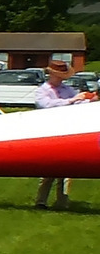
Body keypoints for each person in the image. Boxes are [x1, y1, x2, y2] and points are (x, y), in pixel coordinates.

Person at [30, 62, 94, 208]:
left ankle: (62, 201)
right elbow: (46, 105)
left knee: (66, 169)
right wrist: (70, 101)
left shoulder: (68, 89)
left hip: (66, 131)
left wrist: (89, 100)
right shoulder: (43, 90)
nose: (61, 79)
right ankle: (41, 201)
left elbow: (78, 103)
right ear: (51, 74)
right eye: (58, 76)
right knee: (48, 170)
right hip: (49, 132)